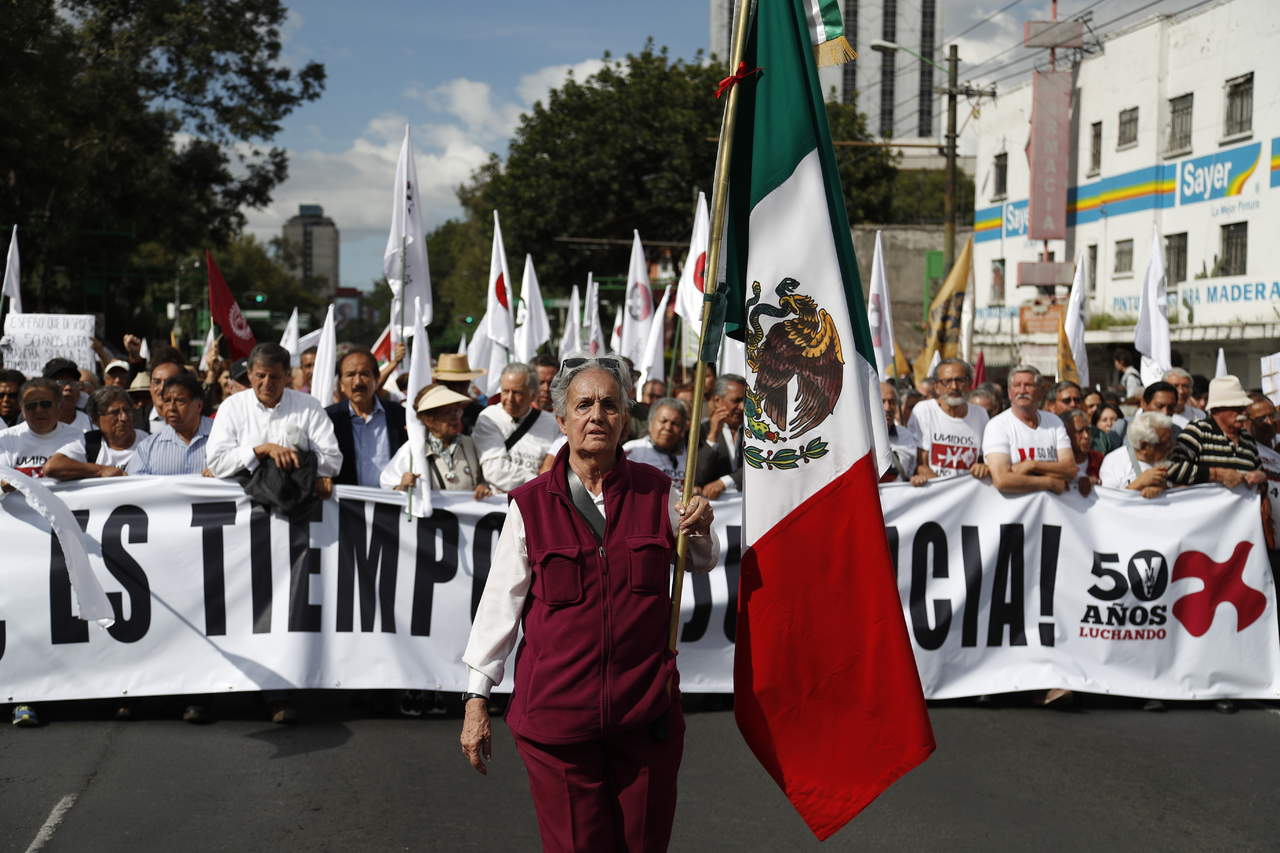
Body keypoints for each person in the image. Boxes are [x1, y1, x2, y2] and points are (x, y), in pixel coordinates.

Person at [459, 356, 717, 852]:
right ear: (561, 421)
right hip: (557, 725)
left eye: (609, 405)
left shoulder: (659, 491)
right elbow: (499, 609)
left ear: (624, 419)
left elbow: (701, 561)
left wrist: (701, 529)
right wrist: (476, 701)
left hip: (645, 717)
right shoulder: (529, 504)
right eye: (583, 405)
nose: (596, 414)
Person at [205, 342, 342, 489]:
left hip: (298, 505)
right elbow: (216, 463)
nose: (267, 383)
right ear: (250, 374)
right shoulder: (231, 407)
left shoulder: (309, 407)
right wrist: (260, 450)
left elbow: (332, 461)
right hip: (246, 506)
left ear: (287, 376)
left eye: (274, 377)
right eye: (261, 376)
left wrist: (291, 458)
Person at [382, 383, 490, 497]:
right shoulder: (413, 450)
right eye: (447, 412)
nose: (455, 417)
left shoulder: (470, 444)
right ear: (429, 419)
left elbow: (486, 478)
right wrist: (402, 486)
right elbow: (387, 484)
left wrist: (483, 486)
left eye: (457, 410)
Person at [982, 365, 1076, 496]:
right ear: (1009, 393)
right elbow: (1002, 480)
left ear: (1040, 391)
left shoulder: (1054, 422)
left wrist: (1031, 465)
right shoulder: (997, 425)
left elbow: (1070, 469)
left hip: (1053, 511)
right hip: (1015, 512)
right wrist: (1049, 482)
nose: (1022, 390)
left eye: (1028, 385)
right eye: (1017, 385)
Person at [472, 362, 560, 494]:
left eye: (517, 393)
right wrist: (541, 486)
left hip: (533, 505)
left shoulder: (552, 424)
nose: (510, 399)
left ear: (533, 394)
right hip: (499, 506)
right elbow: (495, 471)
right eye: (505, 391)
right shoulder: (489, 417)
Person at [326, 350, 408, 487]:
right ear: (340, 384)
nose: (358, 382)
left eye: (364, 374)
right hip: (349, 506)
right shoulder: (329, 419)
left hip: (393, 503)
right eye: (350, 375)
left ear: (376, 379)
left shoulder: (400, 416)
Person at [1167, 375, 1265, 489]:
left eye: (1243, 407)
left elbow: (1259, 471)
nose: (1242, 412)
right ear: (1216, 409)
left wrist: (1261, 479)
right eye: (1236, 407)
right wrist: (1216, 474)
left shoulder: (1247, 438)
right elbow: (1172, 468)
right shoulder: (1198, 431)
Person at [907, 358, 989, 485]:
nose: (954, 387)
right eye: (947, 381)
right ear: (937, 386)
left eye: (959, 380)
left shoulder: (980, 414)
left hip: (970, 496)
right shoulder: (924, 411)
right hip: (936, 494)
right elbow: (920, 465)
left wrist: (983, 468)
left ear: (969, 384)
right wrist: (946, 489)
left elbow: (984, 460)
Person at [44, 387, 153, 480]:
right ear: (95, 419)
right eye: (114, 413)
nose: (124, 418)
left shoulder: (148, 441)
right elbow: (52, 467)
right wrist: (101, 470)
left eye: (127, 410)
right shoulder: (89, 444)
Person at [132, 373, 215, 476]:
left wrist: (223, 471)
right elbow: (134, 486)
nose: (171, 408)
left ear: (198, 405)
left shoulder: (223, 436)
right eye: (167, 401)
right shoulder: (147, 448)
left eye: (180, 401)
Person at [0, 379, 86, 477]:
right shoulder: (5, 438)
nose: (39, 410)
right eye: (31, 406)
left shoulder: (75, 436)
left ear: (59, 406)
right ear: (22, 409)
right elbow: (4, 479)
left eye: (46, 404)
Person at [694, 373, 746, 500]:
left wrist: (725, 482)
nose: (742, 407)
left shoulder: (757, 432)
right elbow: (697, 477)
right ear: (717, 400)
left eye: (746, 400)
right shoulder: (700, 431)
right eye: (736, 401)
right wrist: (712, 437)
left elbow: (760, 466)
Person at [1099, 411, 1175, 496]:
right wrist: (1138, 484)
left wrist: (1165, 489)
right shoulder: (1114, 461)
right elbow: (1108, 503)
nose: (1171, 445)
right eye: (1164, 443)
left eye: (1171, 439)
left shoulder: (1174, 457)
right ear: (1144, 446)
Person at [622, 397, 689, 484]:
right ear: (650, 423)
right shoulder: (633, 450)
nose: (668, 427)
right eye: (663, 421)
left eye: (675, 423)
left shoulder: (689, 455)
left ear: (682, 429)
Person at [433, 353, 487, 434]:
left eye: (462, 383)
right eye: (450, 384)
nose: (457, 389)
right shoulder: (430, 413)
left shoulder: (480, 414)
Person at [881, 382, 918, 481]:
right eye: (882, 401)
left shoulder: (906, 436)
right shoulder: (860, 438)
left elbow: (912, 473)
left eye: (892, 402)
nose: (887, 408)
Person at [42, 358, 92, 431]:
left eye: (73, 383)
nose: (68, 387)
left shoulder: (92, 424)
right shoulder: (32, 423)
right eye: (61, 382)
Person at [1063, 408, 1102, 496]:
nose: (1086, 436)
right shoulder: (1055, 463)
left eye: (1088, 430)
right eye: (1079, 431)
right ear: (1065, 434)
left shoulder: (1099, 460)